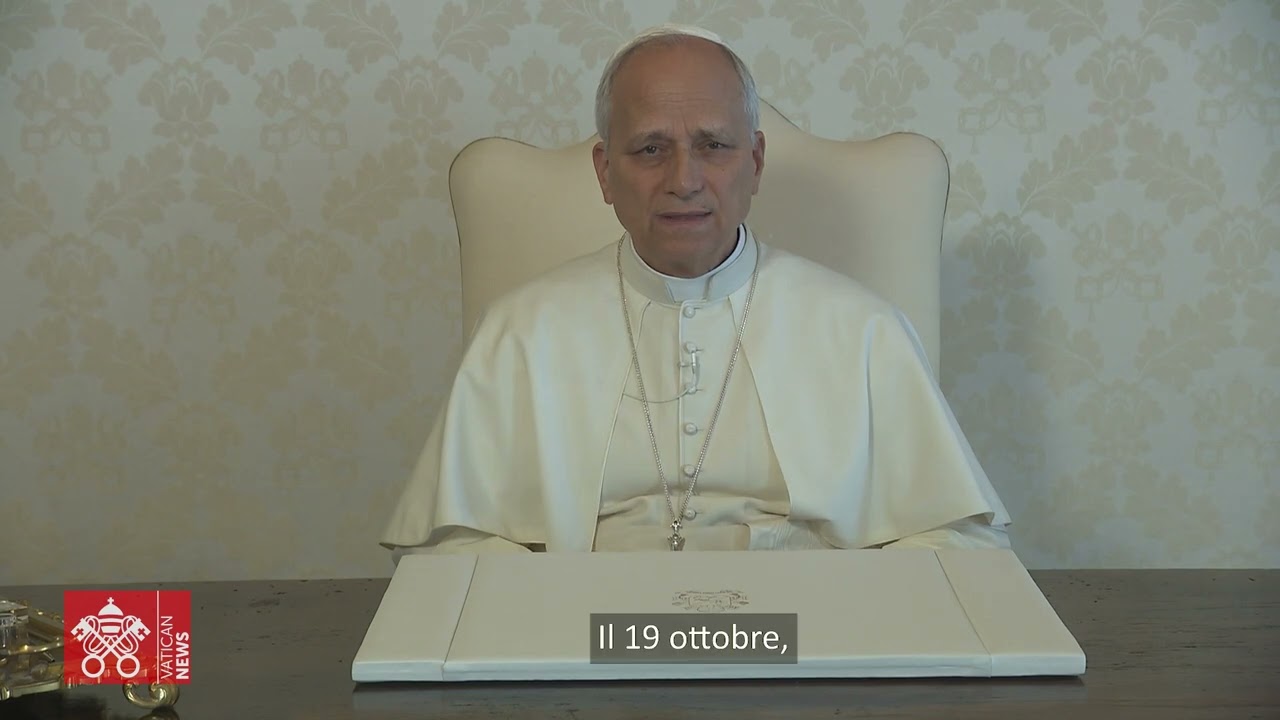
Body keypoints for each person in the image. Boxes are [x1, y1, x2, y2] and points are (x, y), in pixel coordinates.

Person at [380, 24, 1011, 559]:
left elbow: (955, 544)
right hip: (587, 634)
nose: (684, 180)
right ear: (605, 172)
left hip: (801, 636)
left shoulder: (862, 329)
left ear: (754, 163)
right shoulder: (521, 331)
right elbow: (450, 552)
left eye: (713, 146)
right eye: (651, 148)